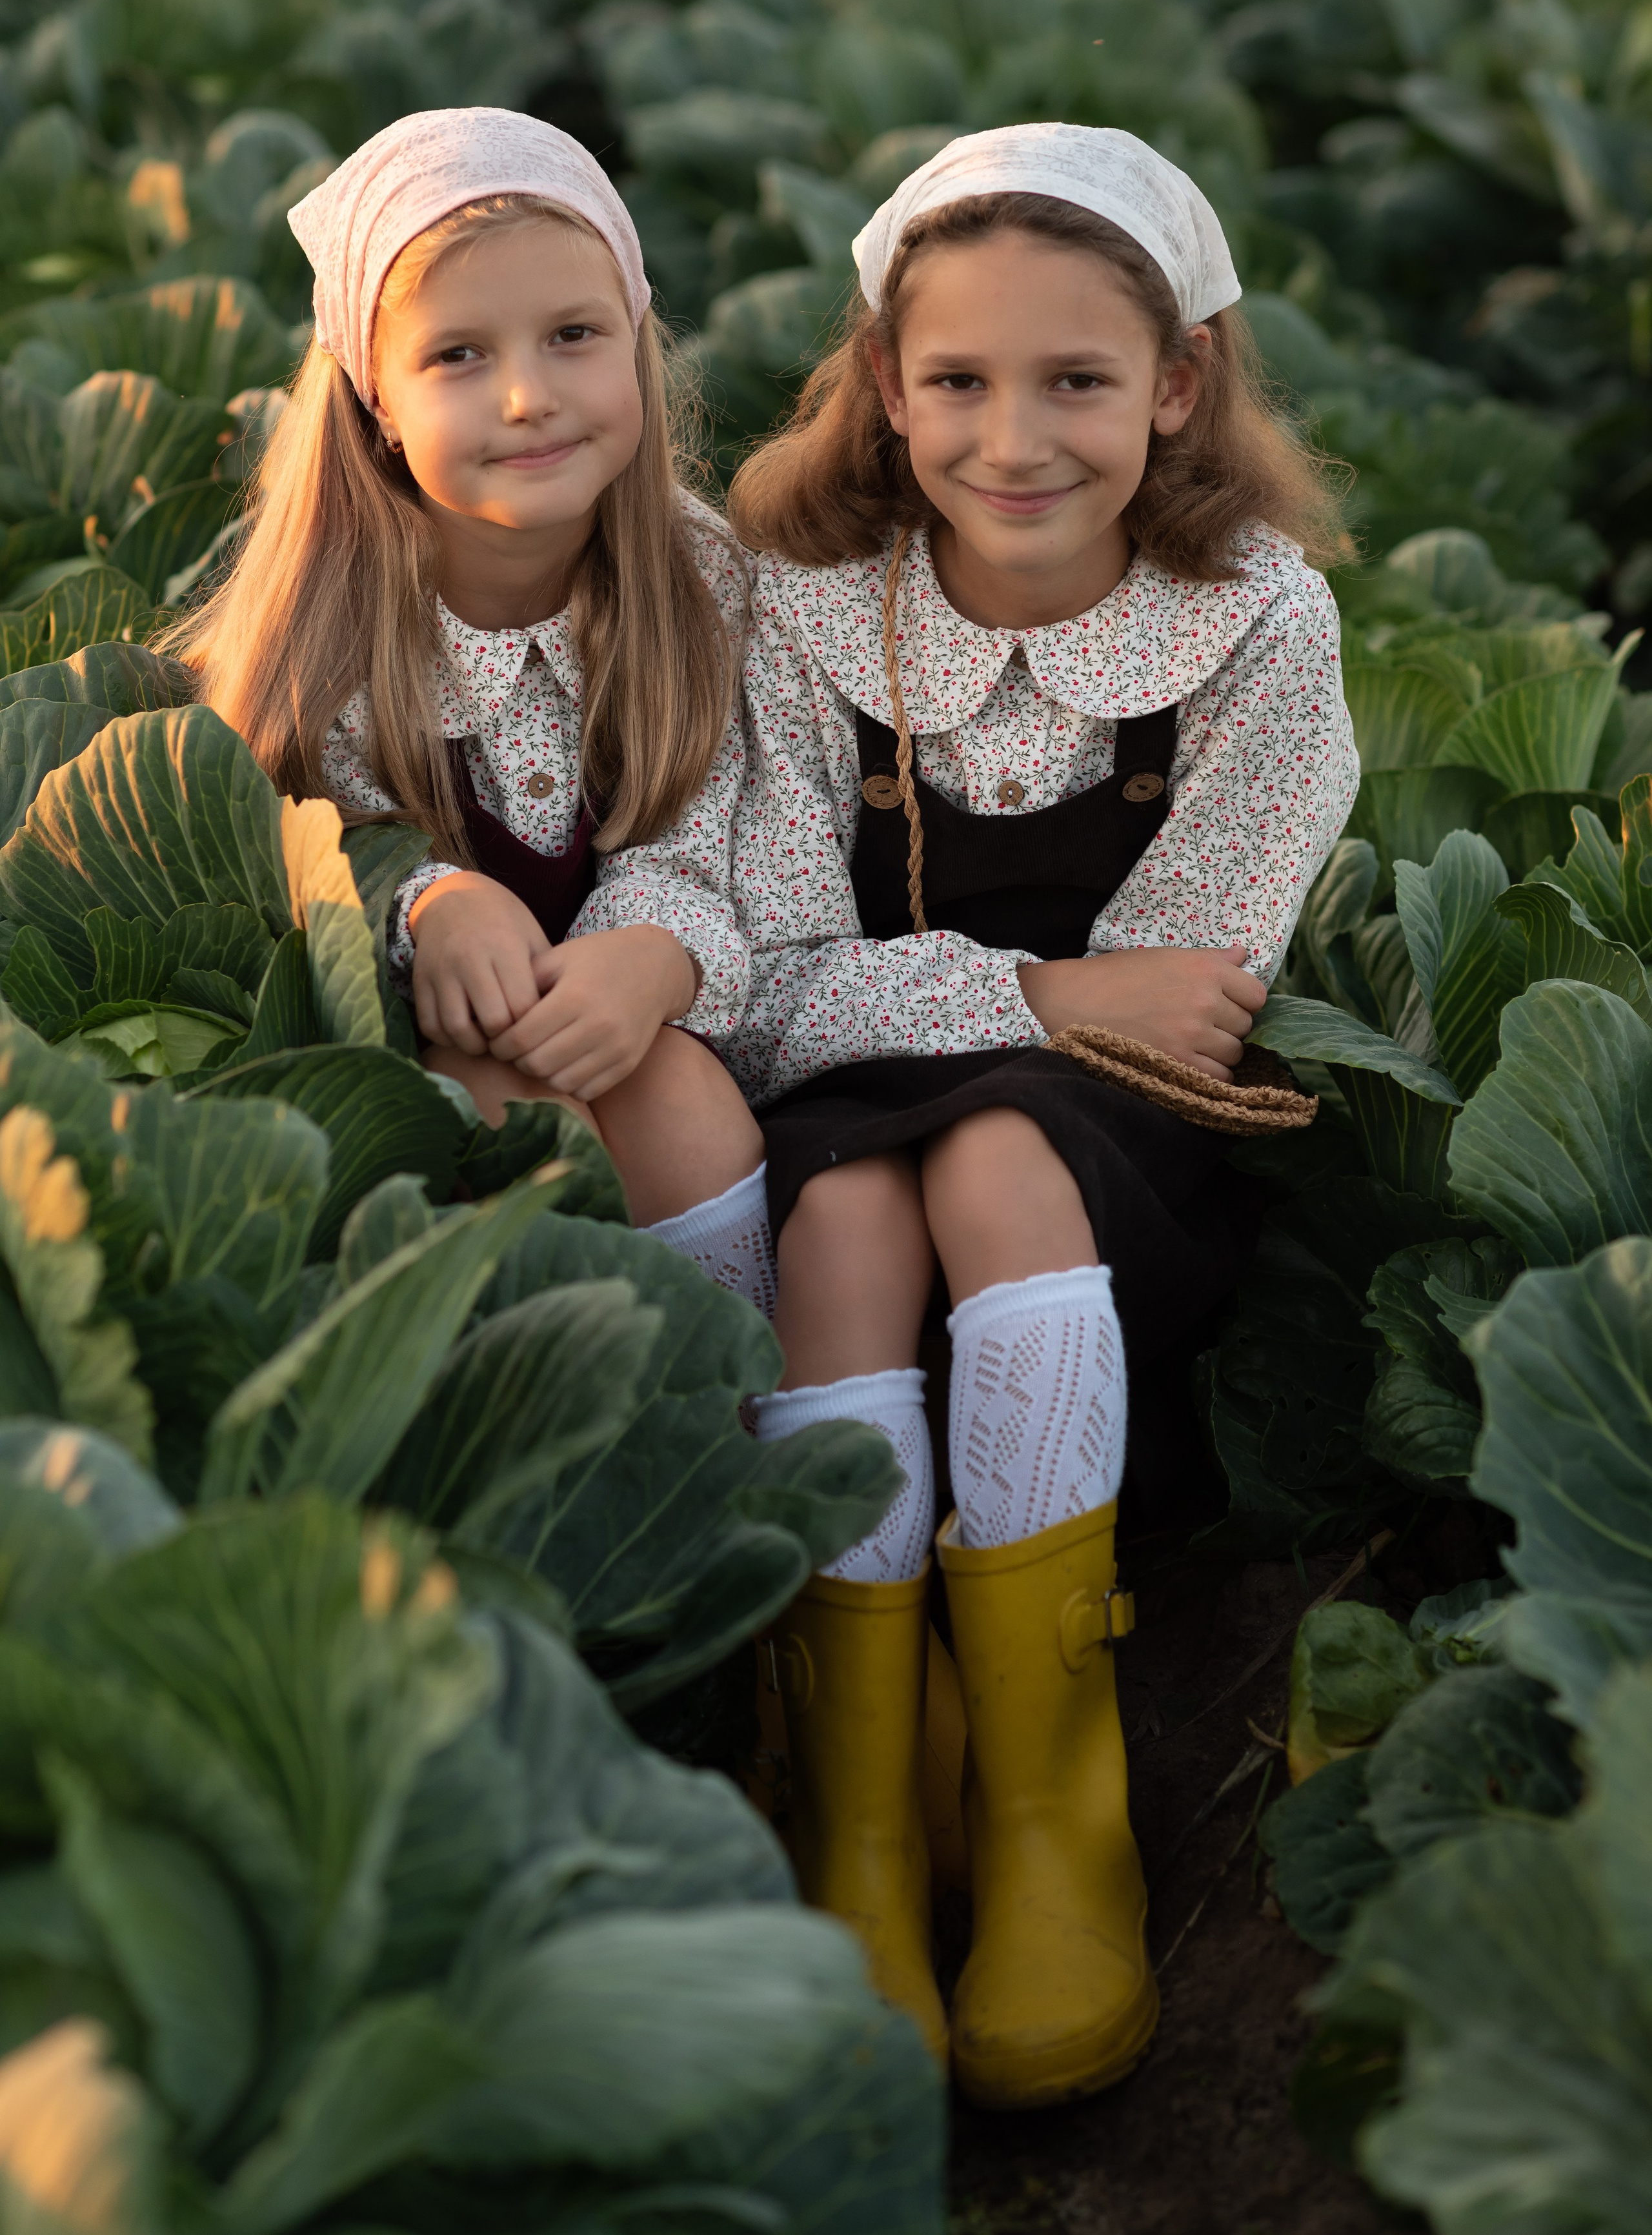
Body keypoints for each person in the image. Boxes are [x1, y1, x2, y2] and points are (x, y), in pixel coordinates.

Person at [723, 124, 1360, 2101]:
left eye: (1077, 378)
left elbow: (1187, 1017)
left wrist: (1050, 1022)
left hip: (1112, 1154)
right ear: (885, 383)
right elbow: (755, 981)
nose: (1014, 438)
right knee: (843, 1217)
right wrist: (1049, 988)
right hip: (837, 1102)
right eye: (959, 380)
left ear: (1175, 384)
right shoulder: (796, 607)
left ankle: (1049, 1795)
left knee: (997, 1153)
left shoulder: (1259, 621)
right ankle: (862, 1805)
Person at [169, 108, 772, 1310]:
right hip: (401, 1053)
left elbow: (734, 828)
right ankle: (569, 1385)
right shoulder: (330, 625)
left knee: (683, 1097)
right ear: (376, 402)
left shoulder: (705, 585)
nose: (527, 397)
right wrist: (428, 900)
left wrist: (655, 956)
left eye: (574, 335)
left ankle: (744, 1396)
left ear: (638, 340)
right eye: (458, 356)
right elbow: (270, 841)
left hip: (644, 1014)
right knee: (513, 1113)